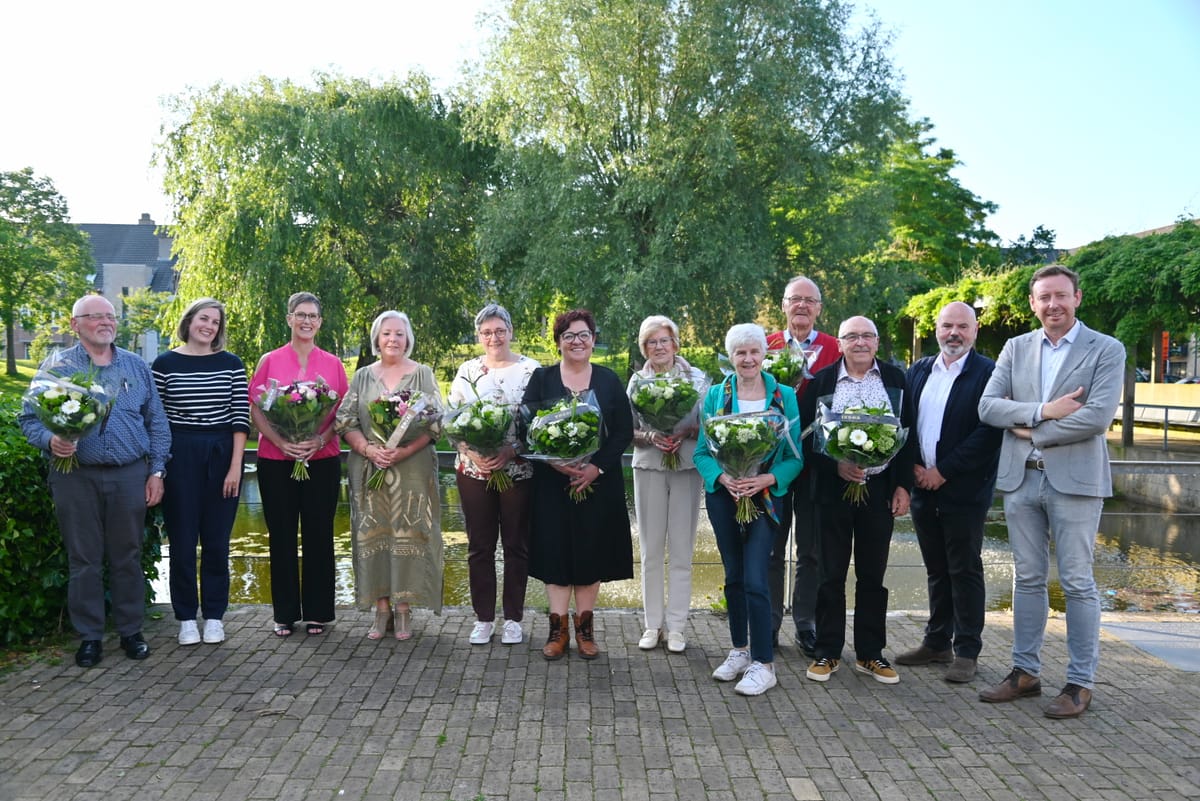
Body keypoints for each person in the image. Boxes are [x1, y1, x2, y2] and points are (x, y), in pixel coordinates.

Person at [977, 265, 1124, 718]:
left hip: (1075, 481)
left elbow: (1097, 417)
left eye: (1061, 295)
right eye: (1045, 297)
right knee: (1028, 578)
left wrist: (1033, 431)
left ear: (1077, 297)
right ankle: (1025, 673)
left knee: (1078, 582)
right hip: (1022, 481)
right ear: (1033, 303)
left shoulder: (1106, 348)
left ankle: (1080, 682)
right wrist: (1045, 410)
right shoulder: (1015, 347)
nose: (1053, 304)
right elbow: (988, 406)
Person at [19, 294, 171, 667]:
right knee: (83, 558)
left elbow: (158, 424)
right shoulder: (57, 366)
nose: (106, 322)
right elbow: (29, 419)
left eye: (110, 316)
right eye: (95, 317)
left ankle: (131, 631)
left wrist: (157, 471)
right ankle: (89, 637)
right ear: (75, 325)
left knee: (127, 556)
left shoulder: (136, 367)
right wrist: (51, 440)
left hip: (129, 475)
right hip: (75, 476)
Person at [800, 315, 916, 685]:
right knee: (830, 573)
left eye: (867, 336)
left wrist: (903, 488)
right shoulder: (821, 381)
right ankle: (827, 651)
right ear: (841, 343)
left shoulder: (897, 380)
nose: (861, 342)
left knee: (872, 575)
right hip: (833, 494)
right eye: (852, 336)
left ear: (877, 343)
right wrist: (835, 467)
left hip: (879, 493)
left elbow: (907, 438)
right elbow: (806, 438)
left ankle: (871, 654)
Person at [694, 324, 803, 696]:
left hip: (766, 498)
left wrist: (765, 479)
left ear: (763, 355)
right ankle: (739, 650)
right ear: (731, 357)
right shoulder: (714, 396)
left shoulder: (784, 395)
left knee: (757, 578)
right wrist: (724, 478)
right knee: (734, 577)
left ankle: (764, 664)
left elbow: (794, 457)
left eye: (754, 351)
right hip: (725, 497)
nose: (748, 359)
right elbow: (701, 453)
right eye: (740, 353)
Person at [895, 302, 1000, 682]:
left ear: (975, 330)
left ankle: (967, 650)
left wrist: (945, 470)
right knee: (937, 568)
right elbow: (903, 422)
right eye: (946, 326)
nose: (953, 333)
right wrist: (913, 469)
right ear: (936, 329)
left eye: (962, 326)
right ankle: (937, 641)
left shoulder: (990, 373)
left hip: (965, 489)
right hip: (924, 486)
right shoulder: (919, 369)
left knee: (965, 568)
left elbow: (989, 432)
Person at [521, 309, 634, 661]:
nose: (577, 342)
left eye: (584, 335)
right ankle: (557, 632)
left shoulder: (608, 380)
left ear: (594, 340)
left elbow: (622, 433)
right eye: (569, 336)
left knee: (590, 553)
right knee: (555, 553)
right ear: (558, 342)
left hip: (597, 485)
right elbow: (526, 429)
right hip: (553, 485)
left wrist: (594, 468)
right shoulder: (542, 379)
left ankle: (585, 632)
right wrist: (556, 462)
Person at [337, 311, 443, 641]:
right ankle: (381, 609)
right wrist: (370, 450)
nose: (393, 339)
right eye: (386, 334)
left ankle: (404, 610)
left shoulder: (422, 374)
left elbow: (436, 423)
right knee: (375, 536)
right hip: (371, 469)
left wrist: (402, 452)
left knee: (409, 533)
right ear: (377, 339)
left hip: (412, 469)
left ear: (408, 338)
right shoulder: (363, 377)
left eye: (399, 333)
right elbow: (345, 422)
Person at [152, 298, 250, 647]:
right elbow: (156, 420)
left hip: (223, 454)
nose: (209, 326)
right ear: (189, 321)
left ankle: (213, 617)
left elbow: (241, 417)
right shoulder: (164, 364)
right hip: (180, 454)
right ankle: (185, 618)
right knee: (180, 542)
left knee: (216, 543)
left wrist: (235, 467)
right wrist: (159, 470)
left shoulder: (231, 364)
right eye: (203, 319)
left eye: (215, 321)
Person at [249, 292, 348, 638]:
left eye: (313, 316)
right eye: (300, 315)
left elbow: (342, 414)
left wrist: (319, 440)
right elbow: (257, 409)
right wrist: (281, 442)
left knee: (320, 535)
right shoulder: (270, 360)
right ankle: (285, 614)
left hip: (322, 459)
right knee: (282, 535)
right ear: (289, 318)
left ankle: (319, 612)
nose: (307, 321)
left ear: (320, 323)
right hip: (276, 460)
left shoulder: (333, 363)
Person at [446, 304, 538, 646]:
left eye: (500, 330)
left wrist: (510, 451)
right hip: (473, 471)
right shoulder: (467, 370)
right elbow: (451, 422)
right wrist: (471, 451)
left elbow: (540, 423)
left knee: (517, 545)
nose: (494, 337)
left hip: (517, 470)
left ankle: (513, 618)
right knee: (479, 547)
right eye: (486, 332)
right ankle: (483, 618)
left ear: (511, 331)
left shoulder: (531, 370)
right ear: (478, 336)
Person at [765, 276, 840, 656]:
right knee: (772, 549)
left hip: (817, 466)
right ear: (783, 305)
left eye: (810, 301)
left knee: (811, 550)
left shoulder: (834, 348)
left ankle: (806, 623)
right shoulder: (765, 347)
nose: (802, 307)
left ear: (819, 309)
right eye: (795, 299)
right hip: (773, 465)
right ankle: (770, 622)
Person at [627, 315, 706, 654]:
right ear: (644, 348)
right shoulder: (636, 383)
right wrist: (649, 435)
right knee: (651, 551)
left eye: (664, 340)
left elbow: (710, 426)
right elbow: (624, 430)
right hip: (649, 467)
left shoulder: (699, 380)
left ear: (675, 343)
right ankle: (652, 624)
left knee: (682, 552)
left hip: (686, 466)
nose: (658, 347)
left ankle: (676, 627)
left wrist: (688, 432)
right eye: (651, 342)